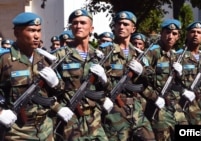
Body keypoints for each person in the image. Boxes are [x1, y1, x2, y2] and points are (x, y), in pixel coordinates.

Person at [0, 12, 73, 141]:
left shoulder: (45, 60)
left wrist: (56, 83)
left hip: (45, 129)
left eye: (39, 31)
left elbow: (60, 91)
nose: (36, 36)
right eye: (31, 30)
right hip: (17, 131)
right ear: (17, 33)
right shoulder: (5, 60)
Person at [51, 9, 110, 140]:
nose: (78, 26)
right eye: (75, 23)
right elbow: (46, 91)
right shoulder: (59, 56)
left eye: (83, 23)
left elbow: (107, 88)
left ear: (91, 28)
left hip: (94, 118)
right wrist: (58, 108)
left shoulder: (98, 56)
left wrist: (104, 80)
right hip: (71, 119)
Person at [101, 10, 155, 141]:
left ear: (133, 28)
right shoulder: (106, 51)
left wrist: (142, 71)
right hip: (115, 108)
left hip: (136, 107)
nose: (121, 27)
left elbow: (152, 78)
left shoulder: (139, 54)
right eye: (119, 24)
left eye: (125, 24)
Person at [142, 19, 188, 141]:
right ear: (161, 33)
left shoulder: (175, 55)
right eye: (167, 32)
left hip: (175, 105)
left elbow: (181, 82)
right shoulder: (151, 53)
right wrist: (154, 97)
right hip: (158, 107)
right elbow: (141, 83)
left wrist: (181, 75)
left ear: (178, 36)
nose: (170, 36)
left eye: (174, 33)